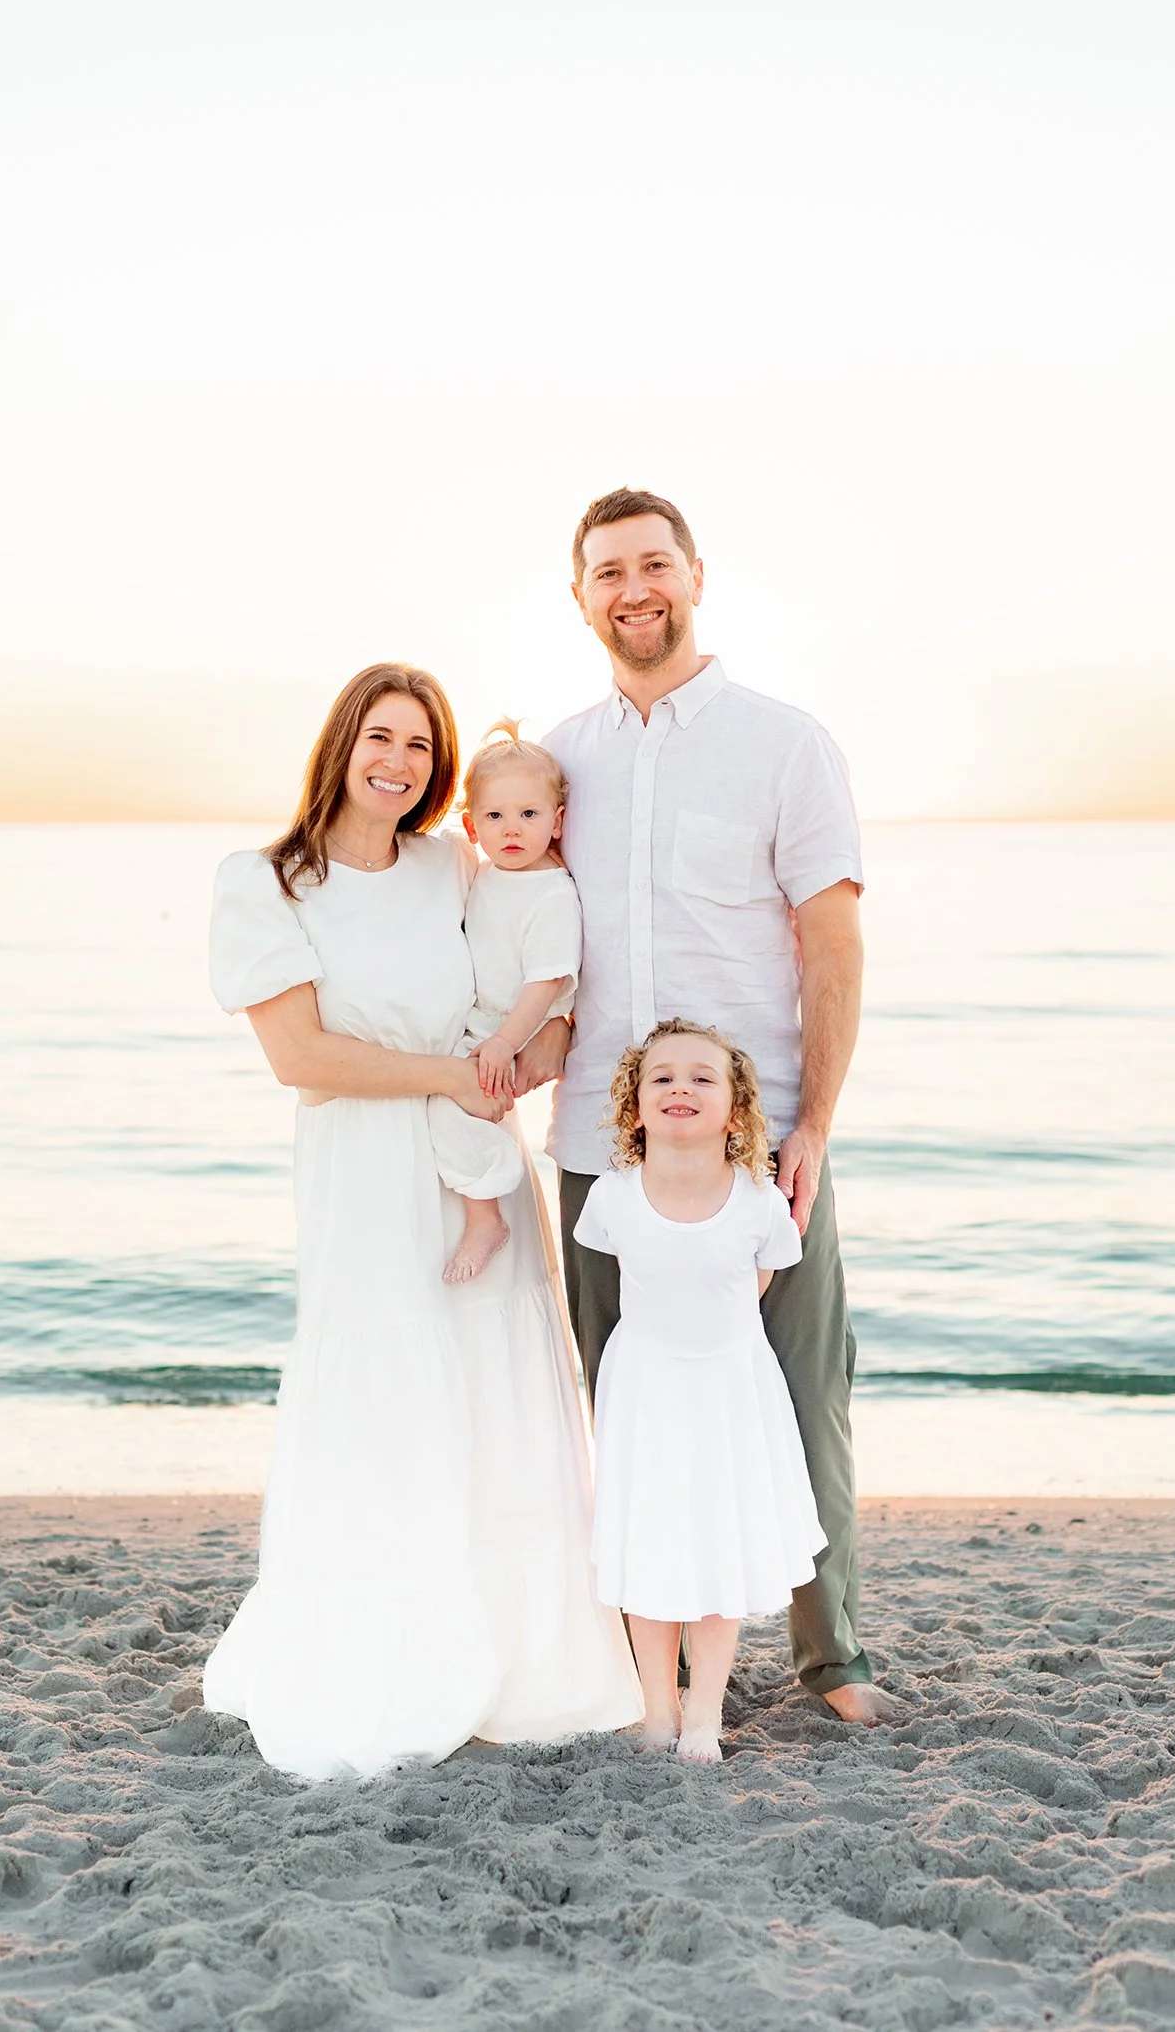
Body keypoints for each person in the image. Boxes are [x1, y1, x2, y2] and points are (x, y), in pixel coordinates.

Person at [202, 662, 642, 1779]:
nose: (397, 763)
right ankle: (383, 1645)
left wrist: (521, 1062)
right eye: (380, 738)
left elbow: (542, 984)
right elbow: (299, 1058)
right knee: (384, 1373)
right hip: (361, 1168)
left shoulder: (456, 864)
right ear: (341, 742)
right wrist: (445, 1081)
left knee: (490, 1376)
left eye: (417, 745)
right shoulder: (264, 883)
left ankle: (517, 1655)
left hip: (476, 1158)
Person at [518, 486, 896, 1726]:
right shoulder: (556, 760)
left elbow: (830, 946)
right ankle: (641, 1666)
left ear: (694, 575)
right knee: (616, 1404)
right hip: (595, 1139)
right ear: (579, 599)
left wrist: (813, 1124)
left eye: (652, 565)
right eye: (607, 572)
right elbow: (513, 920)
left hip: (753, 1142)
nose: (634, 590)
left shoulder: (782, 743)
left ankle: (825, 1654)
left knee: (793, 1395)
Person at [576, 1019, 825, 1763]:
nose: (680, 1086)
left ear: (736, 1108)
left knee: (721, 1546)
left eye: (701, 1077)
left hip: (730, 1394)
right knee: (648, 1546)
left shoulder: (756, 1199)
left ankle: (704, 1715)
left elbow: (759, 1275)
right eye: (662, 1077)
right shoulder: (615, 1198)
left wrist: (717, 1346)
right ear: (635, 1104)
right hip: (646, 1393)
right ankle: (657, 1708)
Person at [428, 723, 582, 1284]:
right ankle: (484, 1201)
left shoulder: (551, 892)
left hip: (516, 1025)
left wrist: (503, 1042)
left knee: (451, 1103)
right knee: (444, 1101)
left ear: (557, 822)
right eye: (494, 817)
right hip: (484, 1023)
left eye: (529, 815)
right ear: (471, 826)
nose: (511, 829)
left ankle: (485, 1216)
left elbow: (546, 982)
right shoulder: (487, 874)